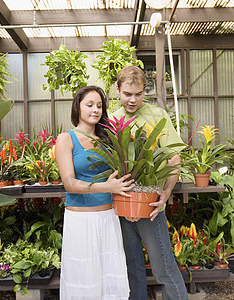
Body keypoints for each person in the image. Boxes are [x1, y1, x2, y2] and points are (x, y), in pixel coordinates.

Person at [111, 66, 188, 300]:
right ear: (117, 90)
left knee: (164, 268)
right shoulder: (112, 119)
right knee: (132, 269)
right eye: (127, 94)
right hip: (122, 205)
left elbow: (174, 157)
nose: (132, 100)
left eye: (138, 94)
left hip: (150, 206)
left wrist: (166, 193)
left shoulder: (157, 116)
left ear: (146, 91)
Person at [55, 85, 134, 300]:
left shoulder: (109, 140)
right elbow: (69, 183)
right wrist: (106, 187)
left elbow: (122, 177)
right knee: (83, 280)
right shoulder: (65, 139)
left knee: (110, 282)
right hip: (80, 221)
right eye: (89, 105)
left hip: (108, 218)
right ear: (77, 107)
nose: (95, 110)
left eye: (99, 106)